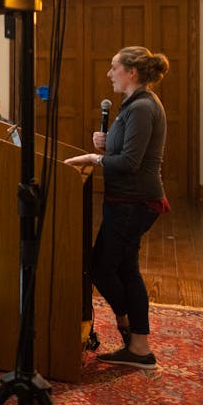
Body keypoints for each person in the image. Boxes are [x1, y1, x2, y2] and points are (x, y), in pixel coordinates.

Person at [65, 46, 171, 368]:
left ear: (132, 73)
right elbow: (125, 149)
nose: (109, 74)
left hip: (133, 203)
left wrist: (93, 158)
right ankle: (138, 345)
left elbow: (129, 162)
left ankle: (129, 329)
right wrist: (107, 141)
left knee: (100, 267)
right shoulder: (135, 105)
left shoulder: (142, 107)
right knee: (126, 269)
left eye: (114, 68)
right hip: (127, 201)